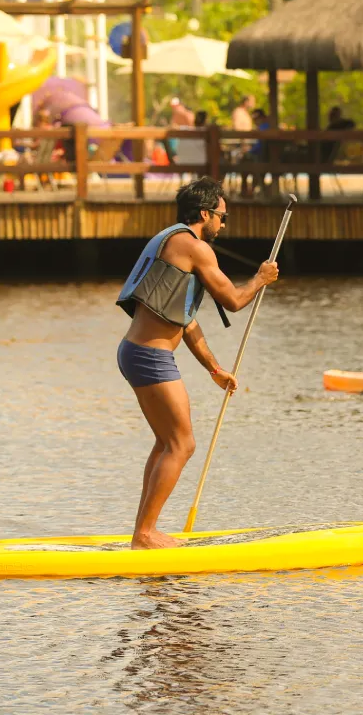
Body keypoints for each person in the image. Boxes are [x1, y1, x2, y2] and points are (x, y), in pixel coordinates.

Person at [116, 178, 279, 549]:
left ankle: (142, 532)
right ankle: (145, 534)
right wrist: (261, 278)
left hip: (135, 352)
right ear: (205, 213)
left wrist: (214, 368)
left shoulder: (168, 241)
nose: (224, 223)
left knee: (165, 443)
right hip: (150, 356)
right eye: (223, 216)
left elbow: (185, 319)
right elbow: (235, 300)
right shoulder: (195, 248)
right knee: (182, 444)